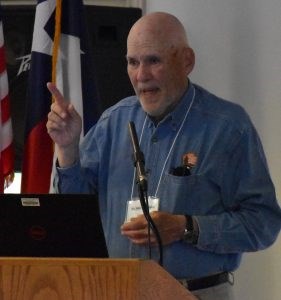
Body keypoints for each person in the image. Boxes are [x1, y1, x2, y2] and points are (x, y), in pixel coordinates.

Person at [46, 12, 281, 300]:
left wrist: (187, 227)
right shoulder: (113, 122)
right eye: (133, 62)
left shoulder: (228, 128)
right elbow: (75, 215)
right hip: (117, 289)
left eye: (153, 61)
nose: (141, 75)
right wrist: (68, 150)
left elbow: (263, 223)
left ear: (186, 61)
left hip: (194, 293)